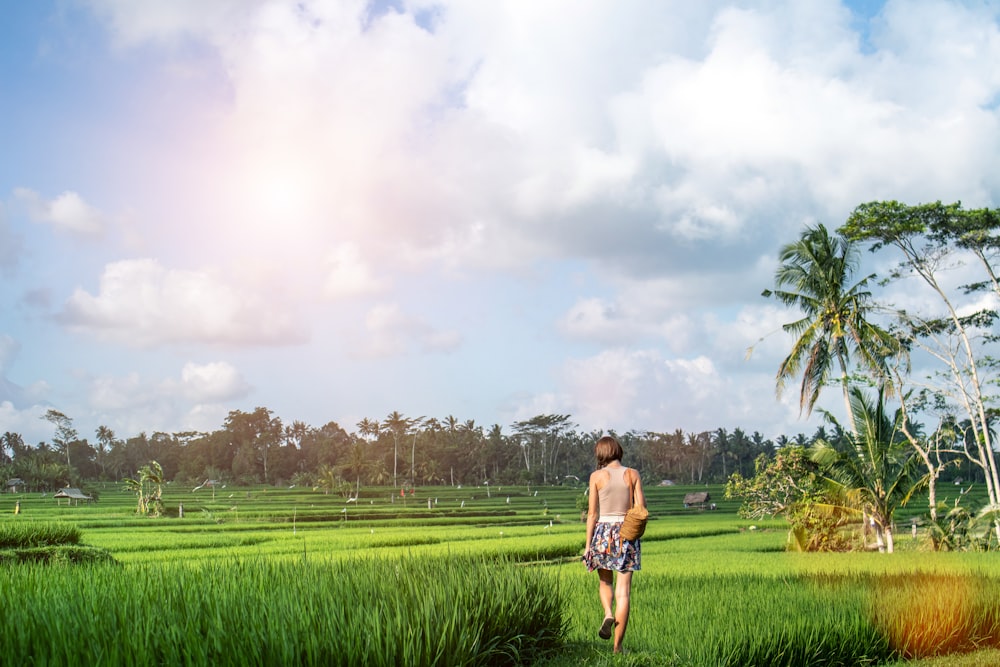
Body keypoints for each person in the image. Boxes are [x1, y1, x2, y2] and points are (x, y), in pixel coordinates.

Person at [582, 435, 645, 654]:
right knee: (624, 593)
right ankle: (618, 648)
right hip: (626, 534)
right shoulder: (632, 474)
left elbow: (592, 513)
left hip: (602, 534)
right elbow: (641, 509)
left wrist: (588, 545)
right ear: (618, 450)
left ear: (600, 454)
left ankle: (608, 612)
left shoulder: (596, 476)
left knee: (605, 583)